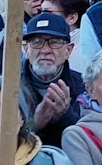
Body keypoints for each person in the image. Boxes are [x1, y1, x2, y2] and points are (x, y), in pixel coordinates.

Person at [17, 11, 85, 149]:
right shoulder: (9, 88)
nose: (45, 50)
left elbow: (90, 139)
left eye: (54, 42)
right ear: (26, 49)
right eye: (37, 42)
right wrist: (34, 125)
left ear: (69, 50)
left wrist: (65, 115)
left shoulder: (84, 86)